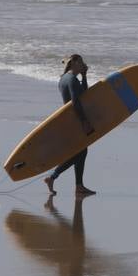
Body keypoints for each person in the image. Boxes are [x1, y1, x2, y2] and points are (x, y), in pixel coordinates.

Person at [45, 54, 97, 196]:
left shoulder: (64, 79)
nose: (83, 64)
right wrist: (84, 121)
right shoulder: (72, 80)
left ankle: (78, 186)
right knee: (80, 152)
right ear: (74, 62)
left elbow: (83, 94)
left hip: (69, 121)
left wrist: (84, 76)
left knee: (81, 151)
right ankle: (53, 177)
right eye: (81, 62)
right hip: (75, 121)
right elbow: (76, 103)